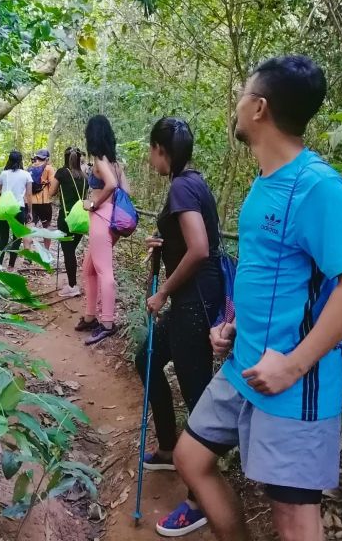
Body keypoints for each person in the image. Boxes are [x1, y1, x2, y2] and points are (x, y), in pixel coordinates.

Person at [172, 56, 342, 541]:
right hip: (242, 367)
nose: (237, 106)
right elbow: (273, 273)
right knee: (190, 459)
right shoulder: (265, 183)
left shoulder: (319, 187)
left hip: (293, 383)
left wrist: (293, 365)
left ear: (259, 108)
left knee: (292, 518)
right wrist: (235, 324)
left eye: (243, 95)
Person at [136, 118, 223, 537]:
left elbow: (201, 248)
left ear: (160, 150)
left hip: (195, 302)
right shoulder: (192, 181)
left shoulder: (182, 188)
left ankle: (199, 497)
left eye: (151, 150)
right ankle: (171, 447)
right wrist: (162, 245)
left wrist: (162, 293)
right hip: (193, 298)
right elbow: (187, 240)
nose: (150, 157)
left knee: (197, 392)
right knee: (145, 356)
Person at [76, 114, 130, 345]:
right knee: (89, 268)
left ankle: (107, 322)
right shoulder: (115, 163)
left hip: (101, 218)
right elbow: (127, 189)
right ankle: (90, 316)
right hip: (114, 221)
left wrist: (95, 203)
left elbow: (113, 185)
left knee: (104, 271)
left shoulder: (99, 161)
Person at [49, 146, 88, 298]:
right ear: (79, 159)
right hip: (81, 219)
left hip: (66, 219)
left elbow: (52, 192)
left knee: (68, 252)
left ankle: (73, 286)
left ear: (66, 158)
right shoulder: (85, 177)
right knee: (71, 250)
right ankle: (73, 284)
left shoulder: (61, 172)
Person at [0, 150, 32, 269]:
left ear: (9, 160)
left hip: (4, 208)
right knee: (16, 238)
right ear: (21, 160)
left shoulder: (4, 174)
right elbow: (29, 195)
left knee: (3, 238)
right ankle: (11, 265)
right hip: (19, 208)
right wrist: (29, 211)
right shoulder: (26, 175)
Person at [28, 149, 56, 252]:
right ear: (47, 159)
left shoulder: (30, 167)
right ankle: (46, 251)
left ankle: (28, 253)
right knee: (46, 226)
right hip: (44, 202)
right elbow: (53, 185)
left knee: (29, 226)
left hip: (30, 202)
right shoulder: (49, 168)